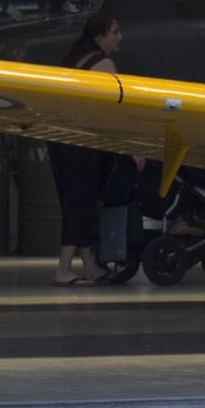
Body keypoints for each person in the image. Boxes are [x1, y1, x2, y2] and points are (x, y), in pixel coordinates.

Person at [49, 14, 124, 285]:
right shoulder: (105, 64)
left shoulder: (73, 61)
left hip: (60, 139)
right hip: (82, 142)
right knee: (80, 203)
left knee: (75, 201)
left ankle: (89, 265)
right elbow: (113, 111)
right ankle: (64, 269)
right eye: (115, 31)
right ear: (100, 38)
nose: (120, 37)